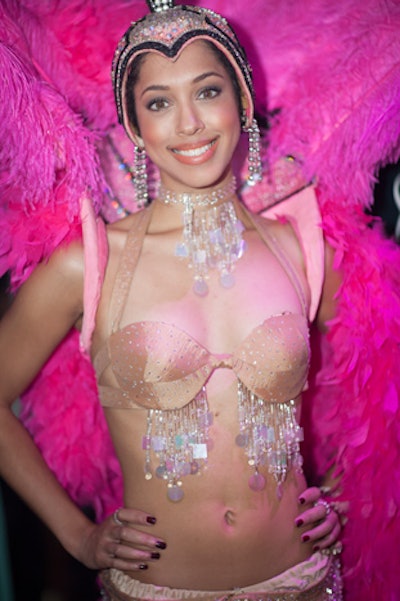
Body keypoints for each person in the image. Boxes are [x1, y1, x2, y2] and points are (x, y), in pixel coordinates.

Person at [0, 2, 344, 600]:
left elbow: (371, 390)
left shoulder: (304, 243)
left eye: (207, 90)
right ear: (135, 127)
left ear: (241, 97)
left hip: (305, 581)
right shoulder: (92, 263)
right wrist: (77, 536)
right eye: (159, 102)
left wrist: (342, 492)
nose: (189, 123)